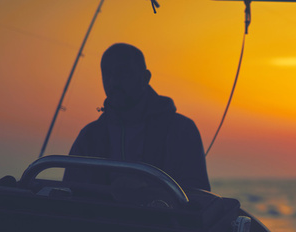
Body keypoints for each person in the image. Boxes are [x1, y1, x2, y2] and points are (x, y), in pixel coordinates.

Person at [65, 43, 210, 192]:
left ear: (145, 78)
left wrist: (147, 191)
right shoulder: (89, 136)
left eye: (123, 73)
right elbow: (71, 193)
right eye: (107, 74)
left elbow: (198, 196)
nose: (113, 81)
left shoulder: (182, 131)